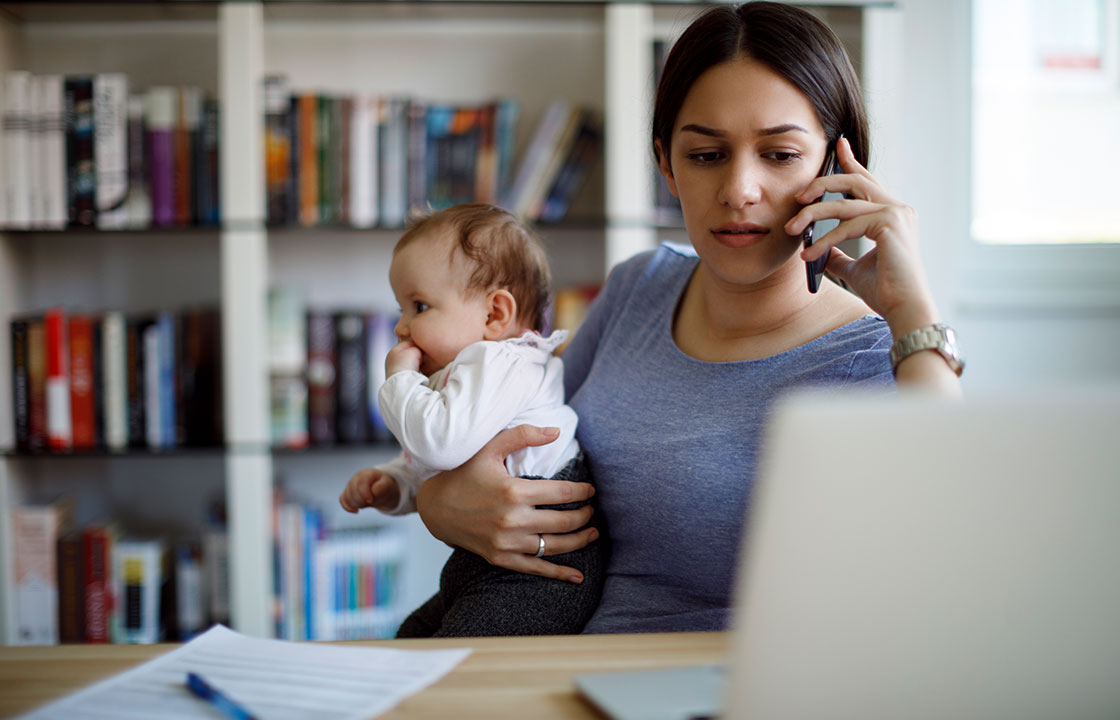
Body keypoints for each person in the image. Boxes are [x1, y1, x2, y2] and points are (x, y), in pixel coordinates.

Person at [411, 1, 964, 634]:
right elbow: (514, 431)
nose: (739, 189)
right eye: (706, 155)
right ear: (667, 164)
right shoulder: (639, 287)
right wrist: (437, 500)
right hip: (566, 669)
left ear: (836, 168)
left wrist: (912, 310)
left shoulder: (878, 356)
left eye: (780, 155)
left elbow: (947, 547)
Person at [338, 202, 604, 637]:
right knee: (412, 637)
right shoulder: (470, 371)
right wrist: (397, 483)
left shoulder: (502, 361)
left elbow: (440, 443)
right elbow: (445, 462)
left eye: (419, 306)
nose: (401, 328)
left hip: (540, 571)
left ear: (494, 315)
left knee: (459, 661)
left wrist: (400, 378)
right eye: (402, 309)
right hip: (487, 558)